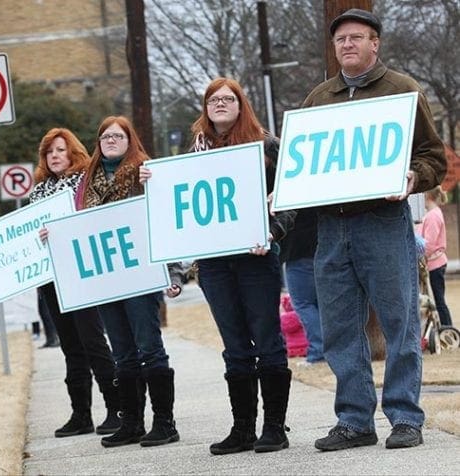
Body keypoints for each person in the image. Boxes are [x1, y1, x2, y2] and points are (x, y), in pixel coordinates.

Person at [302, 9, 446, 451]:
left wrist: (410, 179)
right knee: (340, 327)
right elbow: (300, 160)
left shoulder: (403, 91)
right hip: (331, 228)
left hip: (383, 223)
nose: (347, 44)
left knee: (399, 321)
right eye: (340, 39)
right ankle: (354, 421)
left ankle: (404, 417)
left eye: (356, 37)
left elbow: (433, 158)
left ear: (374, 43)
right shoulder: (318, 99)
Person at [141, 78, 296, 454]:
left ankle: (274, 427)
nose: (221, 104)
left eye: (229, 99)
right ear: (206, 108)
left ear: (242, 105)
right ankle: (242, 427)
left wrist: (272, 233)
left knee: (268, 340)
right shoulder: (194, 153)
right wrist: (152, 180)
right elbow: (177, 205)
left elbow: (291, 199)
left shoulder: (266, 146)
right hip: (214, 264)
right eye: (214, 99)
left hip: (257, 258)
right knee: (234, 345)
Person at [0, 128, 121, 438]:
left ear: (72, 152)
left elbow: (98, 222)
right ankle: (81, 414)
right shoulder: (39, 191)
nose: (55, 156)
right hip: (50, 278)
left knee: (93, 342)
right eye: (49, 152)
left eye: (60, 149)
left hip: (81, 275)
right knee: (70, 346)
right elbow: (22, 239)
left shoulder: (87, 184)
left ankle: (117, 409)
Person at [76, 115, 184, 448]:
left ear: (129, 140)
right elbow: (77, 227)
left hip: (141, 275)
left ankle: (165, 423)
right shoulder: (87, 182)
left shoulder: (145, 172)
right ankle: (132, 422)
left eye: (117, 136)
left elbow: (166, 217)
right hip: (108, 279)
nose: (110, 141)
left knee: (149, 348)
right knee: (122, 353)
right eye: (104, 136)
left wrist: (173, 271)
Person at [280, 209, 325, 365]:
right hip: (321, 247)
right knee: (320, 304)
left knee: (303, 303)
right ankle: (325, 348)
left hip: (298, 250)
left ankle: (318, 350)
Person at [419, 186, 453, 327]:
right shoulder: (432, 214)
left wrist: (420, 255)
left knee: (439, 299)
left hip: (435, 264)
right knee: (437, 298)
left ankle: (447, 327)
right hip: (435, 264)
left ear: (427, 196)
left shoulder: (433, 216)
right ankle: (443, 326)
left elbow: (430, 244)